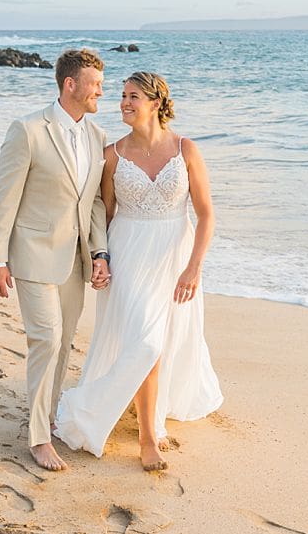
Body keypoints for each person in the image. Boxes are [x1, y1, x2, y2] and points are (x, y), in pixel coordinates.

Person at [55, 71, 223, 471]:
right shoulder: (112, 154)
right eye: (122, 96)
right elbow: (105, 215)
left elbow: (206, 214)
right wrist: (100, 258)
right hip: (128, 253)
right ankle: (149, 437)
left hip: (173, 255)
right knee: (145, 343)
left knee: (160, 340)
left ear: (156, 101)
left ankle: (144, 408)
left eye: (133, 96)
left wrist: (193, 268)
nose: (124, 103)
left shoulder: (186, 150)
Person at [0, 48, 112, 472]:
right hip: (33, 253)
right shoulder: (27, 131)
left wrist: (99, 251)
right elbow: (4, 198)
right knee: (47, 339)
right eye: (95, 83)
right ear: (69, 85)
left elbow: (93, 201)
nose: (101, 91)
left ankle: (50, 416)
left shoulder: (97, 138)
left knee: (64, 344)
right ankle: (38, 438)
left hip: (74, 261)